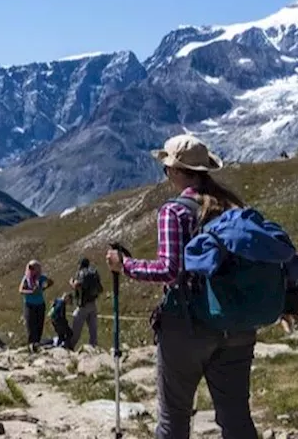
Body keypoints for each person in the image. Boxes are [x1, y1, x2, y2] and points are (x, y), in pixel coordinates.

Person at [105, 134, 257, 439]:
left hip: (188, 325)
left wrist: (125, 266)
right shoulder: (233, 206)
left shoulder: (174, 211)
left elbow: (169, 271)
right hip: (238, 323)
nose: (166, 173)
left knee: (174, 418)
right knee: (236, 417)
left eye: (166, 168)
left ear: (176, 171)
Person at [68, 257, 103, 349]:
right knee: (93, 330)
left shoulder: (82, 273)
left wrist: (71, 282)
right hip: (93, 304)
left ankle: (70, 347)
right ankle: (94, 348)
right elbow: (100, 288)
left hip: (83, 305)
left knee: (76, 330)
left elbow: (77, 285)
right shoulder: (94, 272)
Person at [18, 260, 52, 350]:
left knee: (39, 325)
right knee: (30, 325)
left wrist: (43, 288)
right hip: (29, 305)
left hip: (40, 304)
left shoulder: (41, 278)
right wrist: (31, 292)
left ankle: (37, 344)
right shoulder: (26, 278)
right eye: (30, 268)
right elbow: (21, 290)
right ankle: (31, 345)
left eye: (34, 268)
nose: (32, 270)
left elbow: (50, 281)